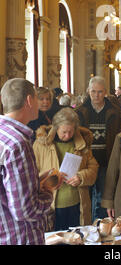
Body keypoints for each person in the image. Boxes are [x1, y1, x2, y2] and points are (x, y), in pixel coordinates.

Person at [0, 78, 55, 244]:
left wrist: (36, 182)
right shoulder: (18, 143)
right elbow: (24, 211)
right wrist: (48, 190)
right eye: (38, 98)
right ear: (30, 101)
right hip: (20, 236)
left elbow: (6, 188)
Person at [33, 107, 98, 231]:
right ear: (56, 127)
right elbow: (32, 173)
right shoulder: (40, 144)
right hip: (51, 205)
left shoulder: (81, 144)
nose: (67, 135)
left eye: (71, 131)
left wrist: (81, 177)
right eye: (64, 132)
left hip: (77, 204)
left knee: (77, 238)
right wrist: (49, 177)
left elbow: (93, 167)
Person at [75, 76, 121, 220]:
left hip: (106, 160)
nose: (96, 95)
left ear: (106, 92)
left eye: (100, 92)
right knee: (86, 196)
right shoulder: (80, 111)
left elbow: (118, 137)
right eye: (93, 91)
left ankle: (101, 226)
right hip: (86, 162)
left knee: (103, 197)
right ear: (88, 91)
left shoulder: (114, 112)